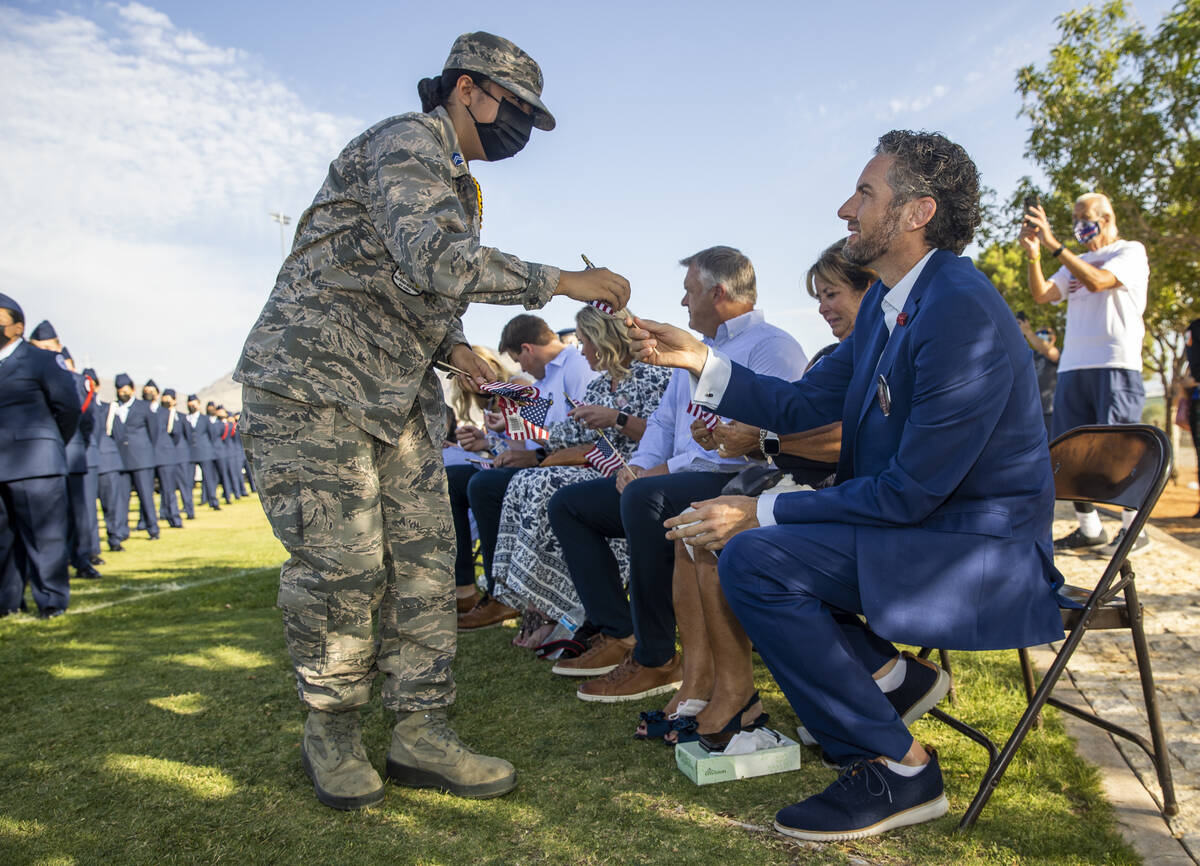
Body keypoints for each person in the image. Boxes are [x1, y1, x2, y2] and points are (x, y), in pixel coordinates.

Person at [233, 31, 629, 811]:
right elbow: (438, 261)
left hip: (399, 399)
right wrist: (565, 278)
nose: (518, 125)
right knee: (343, 571)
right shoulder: (407, 142)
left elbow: (417, 288)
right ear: (466, 89)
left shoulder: (458, 180)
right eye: (514, 106)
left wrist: (455, 348)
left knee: (421, 571)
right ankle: (334, 734)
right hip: (315, 391)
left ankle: (421, 733)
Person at [630, 130, 1065, 840]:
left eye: (865, 194)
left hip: (979, 553)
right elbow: (800, 406)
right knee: (752, 553)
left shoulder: (958, 307)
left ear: (917, 212)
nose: (844, 209)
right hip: (926, 530)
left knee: (755, 554)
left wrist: (762, 508)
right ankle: (891, 690)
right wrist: (701, 360)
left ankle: (898, 767)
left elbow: (910, 493)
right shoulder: (894, 308)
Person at [548, 246, 807, 703]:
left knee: (646, 499)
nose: (684, 304)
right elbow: (666, 424)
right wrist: (641, 467)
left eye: (690, 292)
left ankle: (657, 658)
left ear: (719, 292)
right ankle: (619, 631)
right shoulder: (697, 351)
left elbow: (759, 442)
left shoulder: (774, 347)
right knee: (571, 505)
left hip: (740, 481)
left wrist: (656, 474)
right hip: (678, 476)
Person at [646, 240, 876, 746]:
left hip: (852, 503)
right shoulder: (843, 355)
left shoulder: (875, 354)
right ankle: (703, 683)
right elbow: (795, 422)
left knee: (710, 530)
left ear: (872, 293)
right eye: (818, 296)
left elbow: (844, 441)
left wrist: (761, 441)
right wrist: (748, 443)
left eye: (832, 294)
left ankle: (738, 691)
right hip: (824, 490)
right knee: (694, 525)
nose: (822, 308)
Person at [487, 304, 672, 647]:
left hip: (638, 473)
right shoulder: (601, 385)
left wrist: (617, 418)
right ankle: (540, 601)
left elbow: (668, 438)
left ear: (605, 341)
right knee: (523, 482)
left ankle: (557, 608)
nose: (581, 349)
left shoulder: (654, 376)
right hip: (601, 470)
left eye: (585, 341)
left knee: (543, 485)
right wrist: (506, 426)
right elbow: (563, 433)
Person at [1021, 192, 1150, 554]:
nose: (1080, 224)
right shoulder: (1074, 261)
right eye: (1076, 218)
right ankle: (1090, 529)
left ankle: (1133, 529)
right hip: (1074, 366)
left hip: (1115, 364)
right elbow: (1044, 294)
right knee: (1070, 450)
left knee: (1121, 450)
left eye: (1085, 217)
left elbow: (1098, 282)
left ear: (1106, 218)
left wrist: (1053, 245)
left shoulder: (1130, 251)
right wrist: (1034, 254)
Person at [455, 314, 598, 630]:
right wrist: (490, 439)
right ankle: (495, 590)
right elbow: (535, 437)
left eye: (518, 360)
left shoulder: (575, 368)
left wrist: (529, 454)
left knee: (484, 485)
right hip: (551, 463)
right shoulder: (547, 381)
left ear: (527, 349)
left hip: (579, 467)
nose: (520, 369)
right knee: (475, 483)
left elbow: (586, 437)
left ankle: (506, 594)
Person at [0, 294, 81, 617]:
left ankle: (51, 600)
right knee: (3, 540)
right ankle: (8, 602)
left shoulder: (41, 360)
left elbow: (69, 408)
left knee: (43, 537)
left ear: (18, 327)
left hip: (36, 464)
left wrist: (50, 444)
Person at [111, 375, 161, 541]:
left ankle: (153, 529)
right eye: (119, 389)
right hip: (121, 460)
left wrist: (144, 450)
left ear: (132, 389)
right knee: (121, 498)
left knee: (146, 496)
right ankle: (121, 532)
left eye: (125, 388)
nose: (122, 392)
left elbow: (153, 432)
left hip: (141, 459)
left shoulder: (144, 407)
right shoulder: (114, 408)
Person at [1017, 317, 1059, 436]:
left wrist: (1028, 332)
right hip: (1030, 412)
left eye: (1045, 332)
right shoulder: (1030, 355)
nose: (1041, 335)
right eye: (1038, 333)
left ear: (1054, 337)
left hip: (1049, 413)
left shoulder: (1057, 352)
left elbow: (1049, 351)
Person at [186, 394, 221, 510]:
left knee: (209, 479)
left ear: (199, 404)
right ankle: (188, 505)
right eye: (190, 403)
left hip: (205, 453)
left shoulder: (205, 419)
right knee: (188, 481)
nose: (192, 405)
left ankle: (213, 502)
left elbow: (212, 436)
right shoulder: (185, 419)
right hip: (190, 454)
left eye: (194, 403)